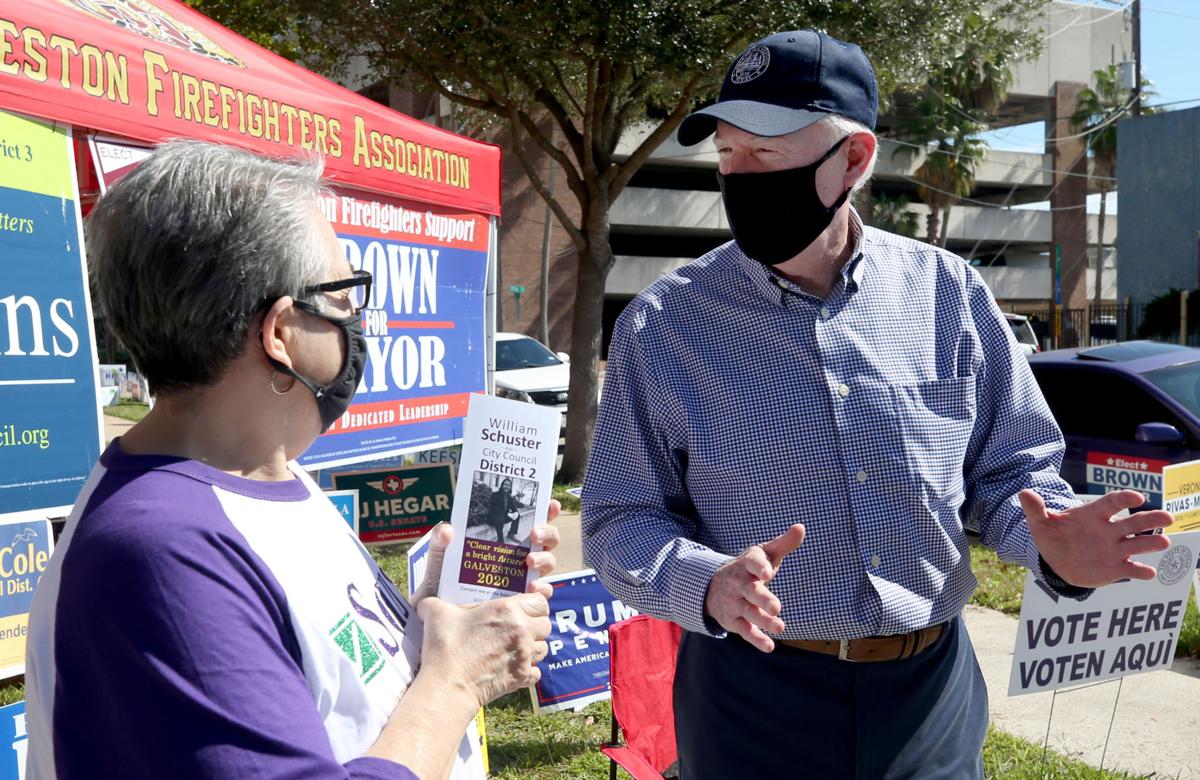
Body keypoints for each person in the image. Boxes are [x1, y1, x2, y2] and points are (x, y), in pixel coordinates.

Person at [581, 30, 1173, 779]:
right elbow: (618, 519)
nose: (740, 176)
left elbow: (1008, 477)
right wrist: (705, 581)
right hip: (753, 700)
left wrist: (1048, 544)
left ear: (853, 159)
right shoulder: (665, 327)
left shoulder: (949, 296)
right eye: (728, 155)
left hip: (930, 697)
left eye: (764, 154)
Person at [25, 140, 561, 780]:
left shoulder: (262, 474)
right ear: (281, 333)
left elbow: (333, 678)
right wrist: (455, 683)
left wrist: (433, 618)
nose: (358, 323)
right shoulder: (162, 551)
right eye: (344, 300)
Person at [487, 477, 521, 542]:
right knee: (500, 518)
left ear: (510, 487)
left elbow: (513, 508)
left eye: (509, 485)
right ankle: (500, 539)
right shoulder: (495, 495)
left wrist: (516, 513)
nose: (507, 487)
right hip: (494, 517)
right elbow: (495, 510)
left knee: (517, 516)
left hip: (502, 517)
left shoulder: (509, 498)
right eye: (505, 485)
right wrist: (508, 514)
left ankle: (511, 534)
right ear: (502, 485)